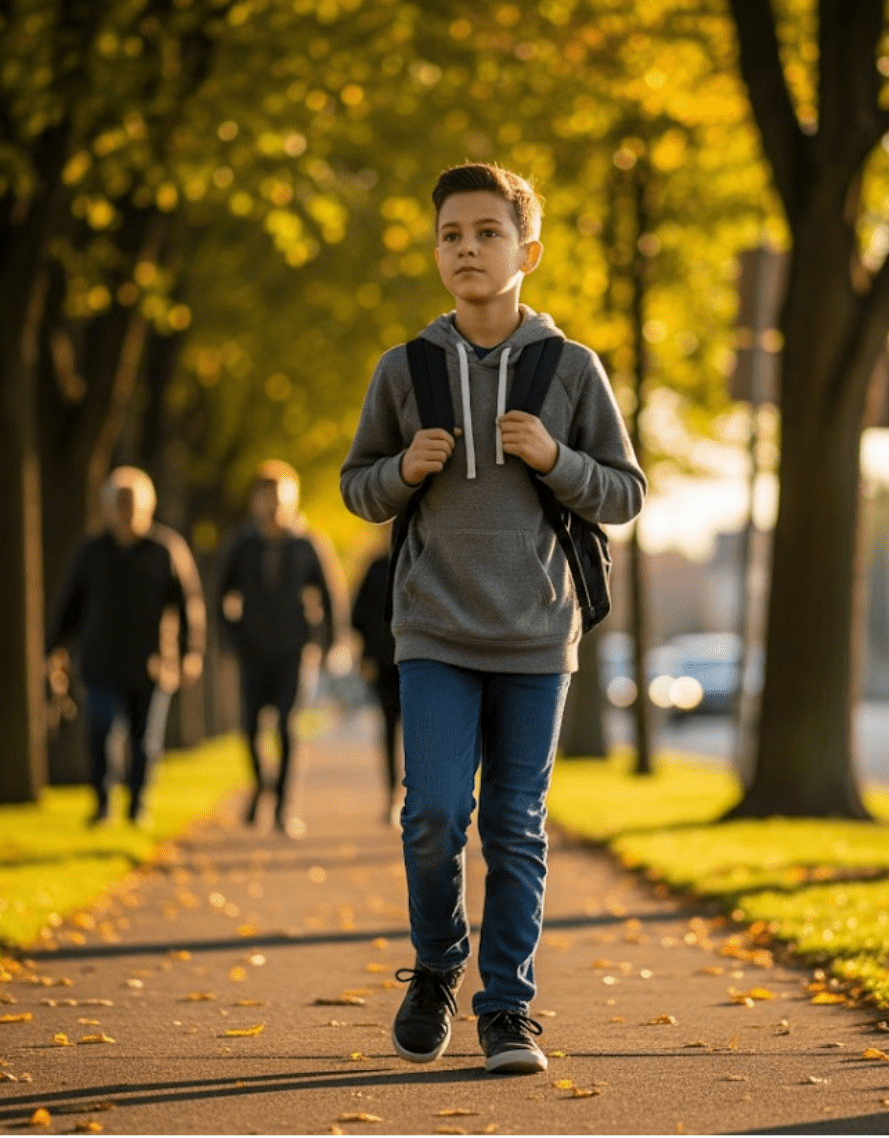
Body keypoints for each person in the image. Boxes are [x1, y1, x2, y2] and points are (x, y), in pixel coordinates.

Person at [340, 163, 645, 1075]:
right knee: (431, 814)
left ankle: (507, 1010)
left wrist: (557, 458)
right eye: (450, 235)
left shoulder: (570, 368)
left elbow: (625, 493)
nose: (466, 248)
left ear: (528, 251)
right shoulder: (406, 368)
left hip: (537, 635)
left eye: (486, 233)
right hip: (433, 631)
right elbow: (358, 487)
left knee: (516, 825)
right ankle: (437, 967)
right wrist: (402, 473)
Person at [46, 467, 205, 828]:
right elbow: (70, 603)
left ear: (148, 507)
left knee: (144, 741)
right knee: (100, 730)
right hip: (100, 660)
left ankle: (137, 804)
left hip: (153, 664)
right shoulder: (91, 551)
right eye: (119, 504)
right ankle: (102, 803)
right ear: (107, 508)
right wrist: (54, 646)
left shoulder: (165, 550)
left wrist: (190, 653)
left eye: (133, 504)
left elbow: (188, 605)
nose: (126, 511)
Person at [216, 460, 340, 837]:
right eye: (266, 499)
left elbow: (331, 598)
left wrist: (329, 643)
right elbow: (221, 595)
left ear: (292, 499)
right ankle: (262, 785)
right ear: (254, 501)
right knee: (250, 729)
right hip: (252, 651)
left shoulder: (308, 544)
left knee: (286, 726)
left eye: (280, 499)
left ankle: (283, 809)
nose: (273, 507)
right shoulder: (242, 545)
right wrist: (231, 639)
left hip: (294, 651)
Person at [348, 534, 402, 824]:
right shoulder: (376, 567)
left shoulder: (424, 561)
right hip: (383, 662)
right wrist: (366, 655)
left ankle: (417, 796)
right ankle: (392, 795)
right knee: (389, 729)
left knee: (417, 734)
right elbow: (357, 615)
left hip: (420, 660)